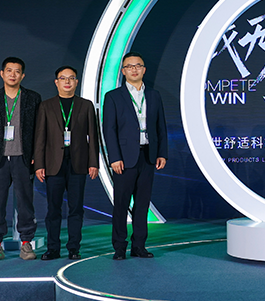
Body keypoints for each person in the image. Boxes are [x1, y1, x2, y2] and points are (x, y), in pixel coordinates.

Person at [103, 52, 168, 259]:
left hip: (148, 155)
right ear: (123, 71)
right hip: (124, 158)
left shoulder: (154, 95)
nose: (134, 69)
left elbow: (161, 127)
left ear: (144, 70)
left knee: (142, 204)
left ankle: (139, 246)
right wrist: (114, 157)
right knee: (121, 204)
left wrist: (162, 153)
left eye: (138, 65)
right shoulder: (113, 96)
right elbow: (109, 129)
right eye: (129, 66)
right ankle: (119, 247)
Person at [0, 57, 42, 261]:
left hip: (23, 158)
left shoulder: (33, 98)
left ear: (22, 75)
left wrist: (37, 156)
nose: (13, 74)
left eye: (17, 71)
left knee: (25, 202)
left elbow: (39, 130)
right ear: (2, 74)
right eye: (9, 70)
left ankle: (26, 243)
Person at [34, 66, 100, 260]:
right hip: (53, 165)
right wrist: (39, 164)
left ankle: (74, 248)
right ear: (56, 82)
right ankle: (53, 248)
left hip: (78, 164)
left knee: (76, 209)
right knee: (53, 209)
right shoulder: (46, 106)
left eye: (71, 78)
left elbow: (93, 136)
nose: (67, 82)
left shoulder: (86, 105)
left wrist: (94, 162)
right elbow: (40, 138)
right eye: (63, 78)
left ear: (76, 82)